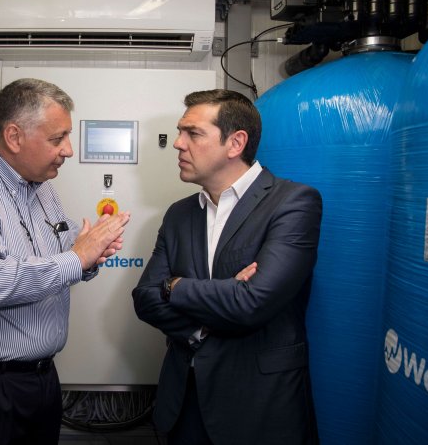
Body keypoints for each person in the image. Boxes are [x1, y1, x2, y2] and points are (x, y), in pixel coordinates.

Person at [0, 78, 130, 445]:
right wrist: (77, 258)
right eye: (58, 138)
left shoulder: (42, 188)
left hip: (42, 380)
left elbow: (59, 256)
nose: (68, 150)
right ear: (14, 137)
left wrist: (89, 256)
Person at [132, 89, 321, 444]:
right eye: (180, 132)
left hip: (259, 405)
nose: (178, 144)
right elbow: (145, 298)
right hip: (185, 401)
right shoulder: (179, 214)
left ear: (235, 143)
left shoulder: (293, 203)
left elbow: (253, 302)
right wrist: (221, 300)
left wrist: (175, 287)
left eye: (193, 133)